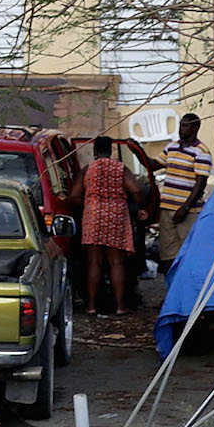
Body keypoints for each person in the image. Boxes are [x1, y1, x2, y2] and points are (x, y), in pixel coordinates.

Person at [70, 134, 142, 316]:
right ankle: (120, 306)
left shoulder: (88, 169)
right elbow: (136, 190)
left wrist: (88, 205)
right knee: (116, 263)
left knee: (94, 262)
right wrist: (136, 207)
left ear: (95, 151)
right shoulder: (121, 168)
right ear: (111, 150)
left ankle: (92, 306)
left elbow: (74, 195)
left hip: (93, 216)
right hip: (116, 217)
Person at [156, 113, 212, 275]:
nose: (181, 129)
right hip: (167, 208)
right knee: (167, 255)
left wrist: (185, 207)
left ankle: (188, 295)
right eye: (181, 125)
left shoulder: (201, 152)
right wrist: (137, 151)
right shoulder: (172, 147)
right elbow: (154, 165)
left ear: (195, 128)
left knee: (188, 255)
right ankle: (170, 295)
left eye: (186, 126)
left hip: (188, 212)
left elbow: (200, 184)